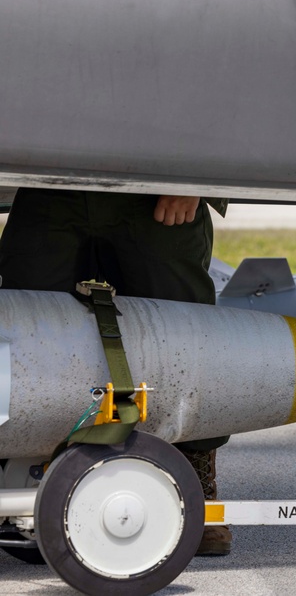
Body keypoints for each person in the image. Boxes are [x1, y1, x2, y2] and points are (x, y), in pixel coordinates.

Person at [0, 188, 233, 556]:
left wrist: (195, 181)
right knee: (24, 329)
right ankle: (14, 478)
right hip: (51, 184)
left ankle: (195, 481)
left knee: (183, 336)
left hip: (156, 187)